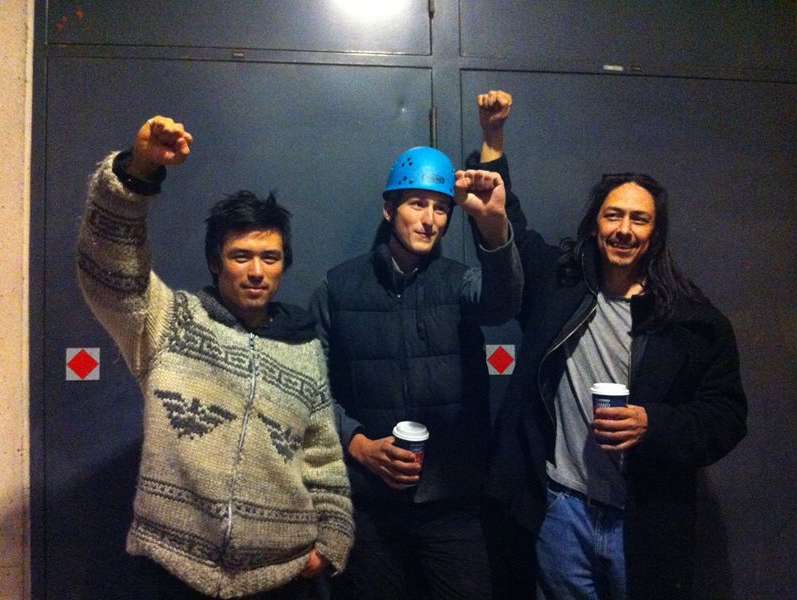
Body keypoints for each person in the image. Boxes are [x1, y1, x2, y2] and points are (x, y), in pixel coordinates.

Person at [469, 91, 748, 600]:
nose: (623, 230)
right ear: (595, 224)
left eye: (639, 219)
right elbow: (505, 219)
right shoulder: (560, 285)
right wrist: (493, 137)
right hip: (562, 511)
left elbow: (727, 417)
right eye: (613, 215)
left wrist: (652, 423)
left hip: (643, 524)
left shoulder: (692, 321)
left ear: (655, 233)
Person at [77, 116, 354, 599]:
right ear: (214, 262)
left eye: (270, 258)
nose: (256, 271)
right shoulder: (170, 321)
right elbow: (108, 270)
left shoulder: (303, 348)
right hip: (172, 571)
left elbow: (322, 455)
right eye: (241, 256)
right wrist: (135, 175)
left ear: (284, 266)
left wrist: (330, 541)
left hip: (281, 579)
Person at [309, 145, 523, 599]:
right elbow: (310, 387)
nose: (430, 220)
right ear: (389, 210)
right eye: (417, 204)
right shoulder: (338, 286)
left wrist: (493, 227)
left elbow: (503, 303)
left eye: (441, 208)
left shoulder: (459, 281)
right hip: (368, 504)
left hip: (451, 501)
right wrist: (358, 444)